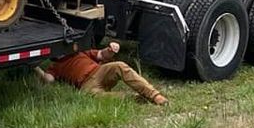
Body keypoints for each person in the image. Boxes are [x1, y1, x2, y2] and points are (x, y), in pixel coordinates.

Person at [36, 41, 167, 105]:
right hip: (86, 86)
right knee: (99, 97)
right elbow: (48, 80)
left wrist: (111, 49)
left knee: (120, 66)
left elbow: (101, 54)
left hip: (99, 71)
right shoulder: (55, 66)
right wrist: (35, 67)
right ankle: (138, 99)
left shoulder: (80, 53)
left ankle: (155, 95)